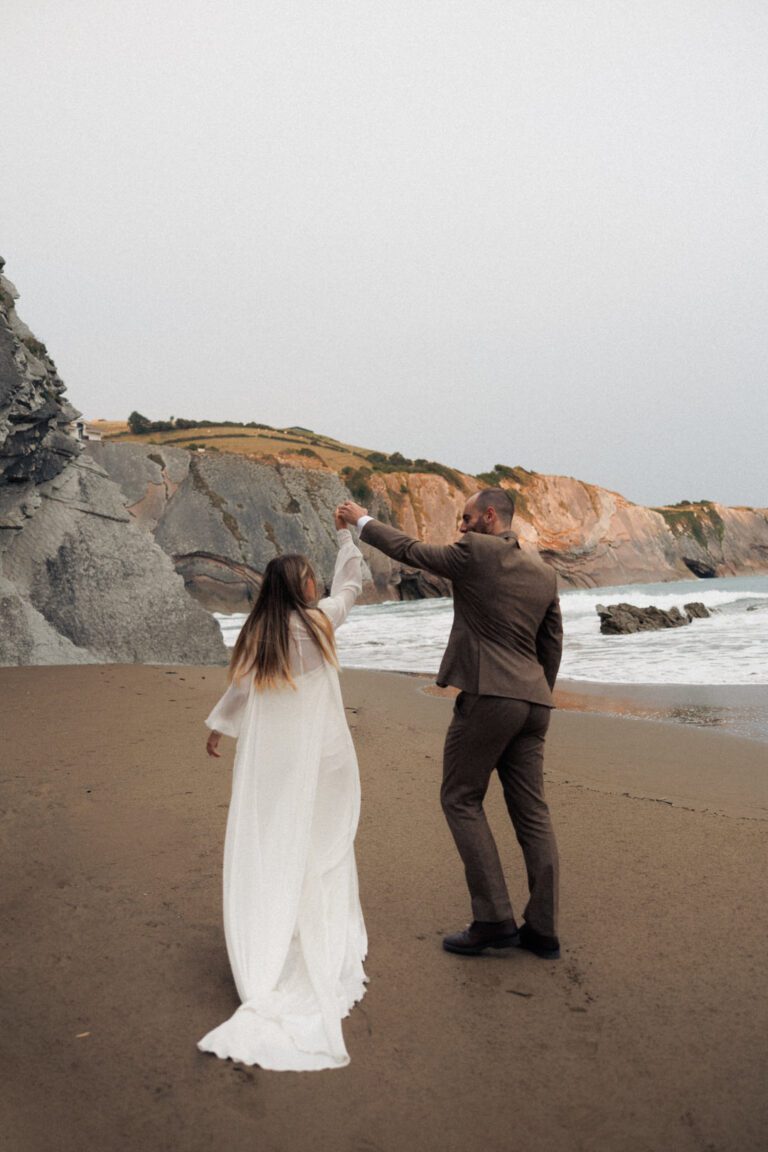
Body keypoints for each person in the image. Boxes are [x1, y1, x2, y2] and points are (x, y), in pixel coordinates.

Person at [339, 489, 563, 959]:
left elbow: (410, 551)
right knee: (533, 814)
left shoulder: (476, 552)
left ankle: (494, 919)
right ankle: (542, 930)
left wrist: (363, 521)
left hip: (489, 696)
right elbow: (552, 643)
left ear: (488, 516)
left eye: (465, 518)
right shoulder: (544, 572)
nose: (460, 527)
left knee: (460, 798)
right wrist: (536, 692)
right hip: (534, 702)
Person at [197, 514, 367, 1070]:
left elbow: (240, 693)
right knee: (323, 842)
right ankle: (315, 929)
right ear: (301, 587)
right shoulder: (319, 623)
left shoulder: (260, 634)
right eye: (310, 577)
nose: (317, 583)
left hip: (278, 761)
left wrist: (218, 730)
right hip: (328, 757)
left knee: (278, 837)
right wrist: (346, 536)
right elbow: (353, 585)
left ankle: (276, 927)